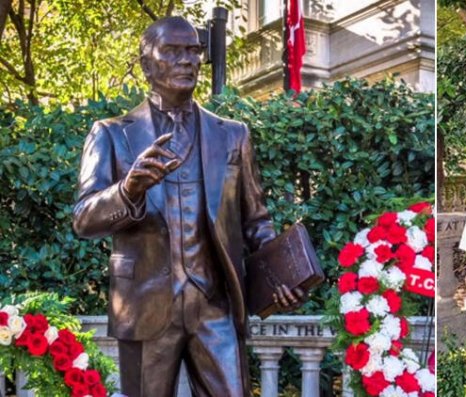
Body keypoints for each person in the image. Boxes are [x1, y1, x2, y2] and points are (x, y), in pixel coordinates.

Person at [73, 16, 303, 397]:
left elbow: (256, 221)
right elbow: (83, 219)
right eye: (173, 51)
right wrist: (128, 191)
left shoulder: (233, 134)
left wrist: (281, 276)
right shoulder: (111, 133)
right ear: (146, 64)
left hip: (216, 308)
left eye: (194, 51)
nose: (188, 60)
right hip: (145, 307)